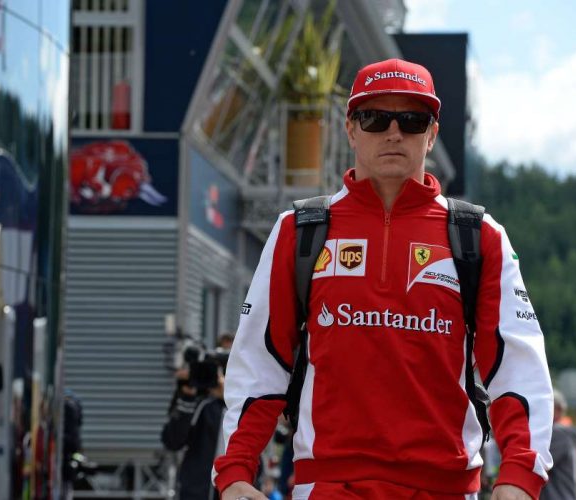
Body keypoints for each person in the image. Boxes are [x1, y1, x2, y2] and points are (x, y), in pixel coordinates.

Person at [212, 58, 554, 500]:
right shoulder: (298, 230)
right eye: (375, 118)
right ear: (350, 130)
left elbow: (518, 367)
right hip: (328, 485)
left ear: (432, 134)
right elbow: (259, 363)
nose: (394, 133)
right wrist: (236, 471)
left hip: (445, 488)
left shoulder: (480, 236)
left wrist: (520, 475)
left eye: (412, 120)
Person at [162, 340, 229, 499]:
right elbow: (172, 441)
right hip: (196, 491)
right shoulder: (199, 401)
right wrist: (187, 397)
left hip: (235, 489)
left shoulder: (242, 402)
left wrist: (229, 396)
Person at [541, 390, 576, 500]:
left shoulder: (558, 434)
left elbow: (540, 467)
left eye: (541, 405)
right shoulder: (561, 433)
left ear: (558, 410)